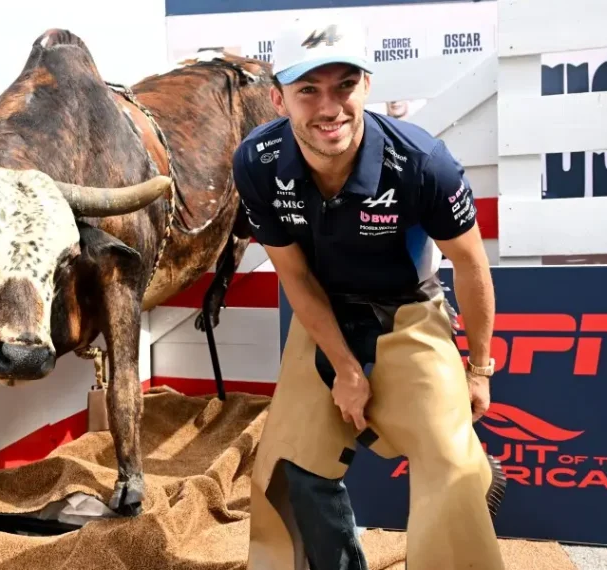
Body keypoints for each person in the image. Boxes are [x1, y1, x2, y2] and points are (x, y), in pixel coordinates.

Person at [235, 19, 507, 570]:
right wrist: (345, 369)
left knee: (451, 465)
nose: (328, 106)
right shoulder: (256, 163)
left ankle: (474, 471)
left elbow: (472, 265)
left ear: (367, 86)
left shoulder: (423, 163)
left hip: (408, 311)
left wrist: (478, 370)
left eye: (344, 85)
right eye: (308, 89)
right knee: (292, 466)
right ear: (278, 98)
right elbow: (297, 278)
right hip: (322, 315)